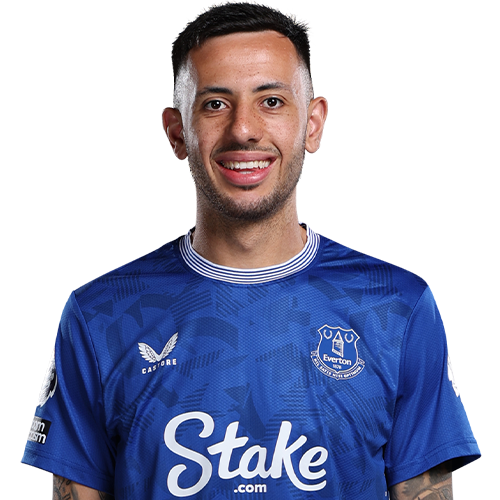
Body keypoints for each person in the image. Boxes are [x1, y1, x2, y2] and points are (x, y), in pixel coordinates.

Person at [22, 2, 480, 499]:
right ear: (178, 132)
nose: (243, 129)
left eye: (272, 101)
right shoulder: (100, 316)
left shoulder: (397, 308)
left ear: (313, 124)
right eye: (215, 104)